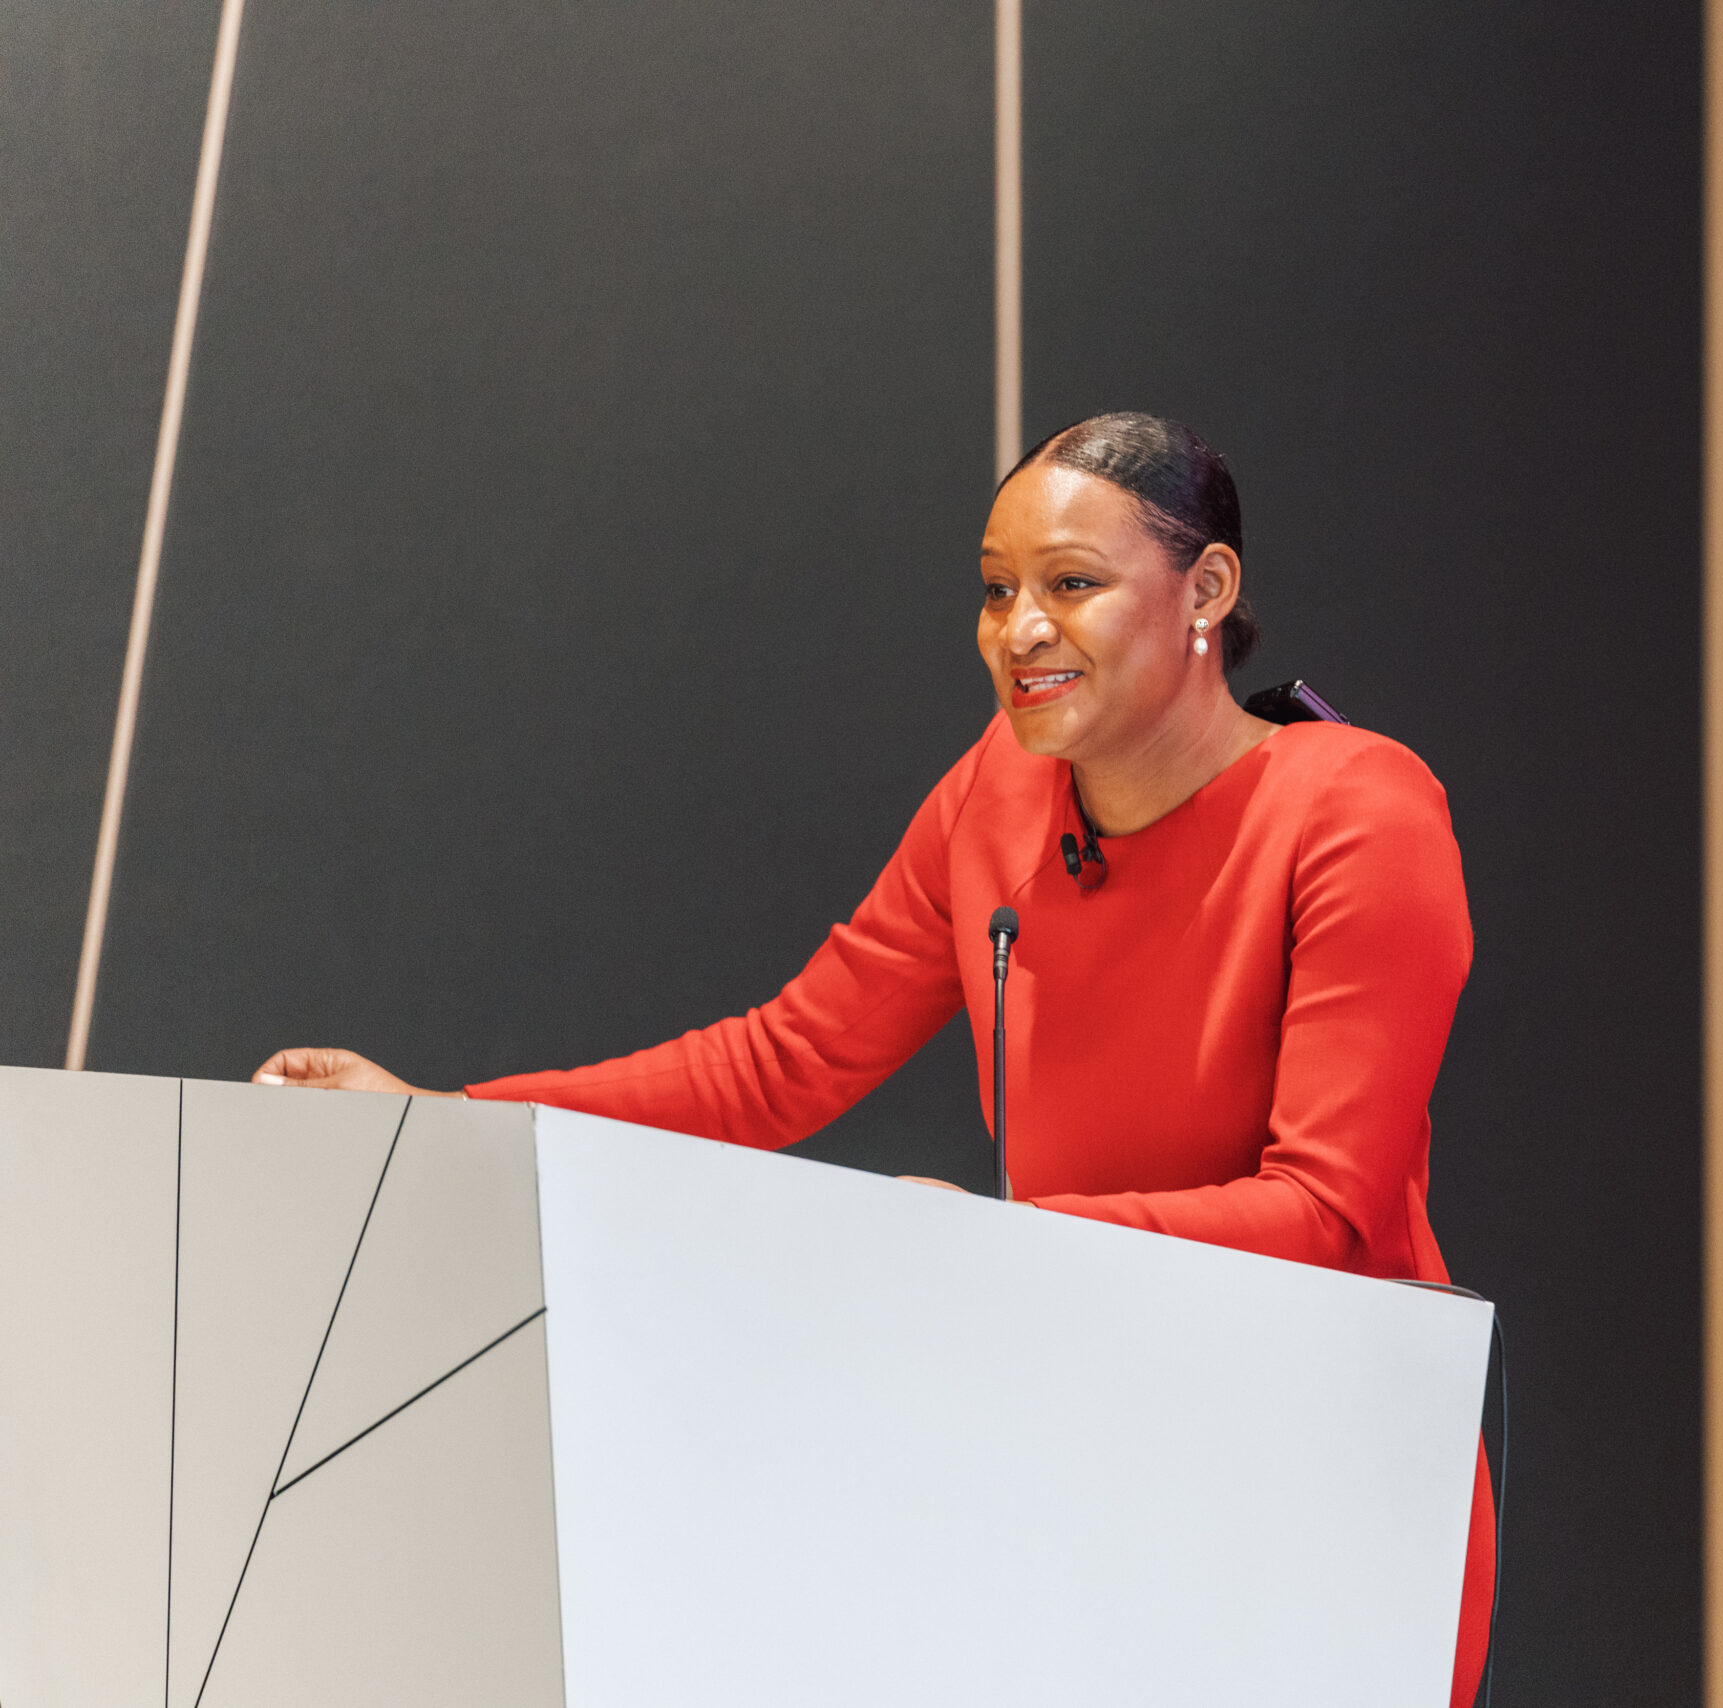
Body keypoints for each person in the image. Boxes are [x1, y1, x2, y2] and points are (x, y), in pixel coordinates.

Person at [254, 412, 1493, 1705]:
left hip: (1322, 1482)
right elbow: (781, 1064)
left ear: (1209, 590)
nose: (1018, 630)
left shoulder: (1357, 807)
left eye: (1071, 584)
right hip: (1083, 1452)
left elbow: (1330, 1216)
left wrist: (1006, 1248)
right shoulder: (995, 794)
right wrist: (447, 1118)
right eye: (996, 589)